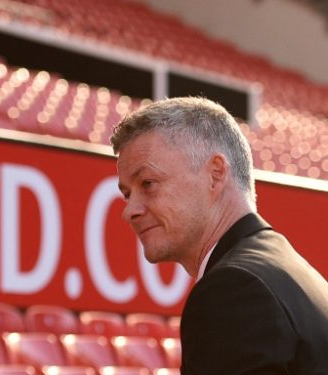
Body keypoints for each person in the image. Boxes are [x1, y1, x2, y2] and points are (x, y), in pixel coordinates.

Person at [111, 97, 328, 374]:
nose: (130, 210)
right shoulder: (289, 271)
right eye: (127, 194)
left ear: (215, 174)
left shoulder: (234, 289)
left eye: (148, 184)